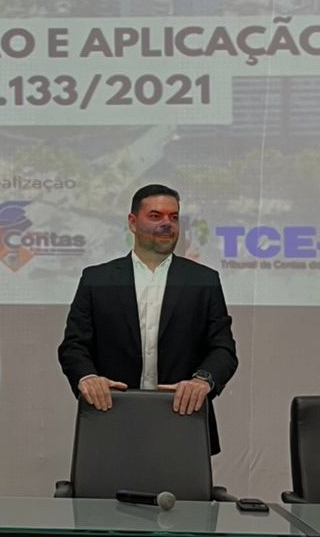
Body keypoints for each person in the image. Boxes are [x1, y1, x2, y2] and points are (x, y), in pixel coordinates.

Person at [57, 184, 237, 454]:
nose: (167, 223)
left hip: (183, 420)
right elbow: (74, 345)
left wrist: (202, 381)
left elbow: (223, 348)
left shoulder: (204, 281)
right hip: (110, 417)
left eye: (173, 217)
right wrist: (88, 377)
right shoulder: (97, 280)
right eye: (155, 216)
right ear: (132, 222)